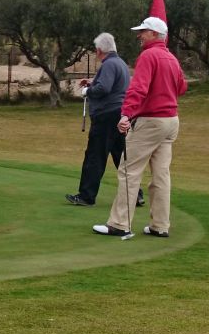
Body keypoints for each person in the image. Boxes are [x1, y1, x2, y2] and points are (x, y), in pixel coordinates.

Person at [93, 16, 187, 240]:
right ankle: (160, 225)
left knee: (129, 170)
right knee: (161, 175)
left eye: (143, 31)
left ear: (154, 34)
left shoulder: (148, 55)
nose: (139, 35)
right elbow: (182, 87)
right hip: (170, 121)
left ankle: (119, 224)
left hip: (151, 121)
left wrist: (126, 114)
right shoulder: (171, 58)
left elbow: (138, 88)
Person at [66, 32, 133, 207]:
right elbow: (110, 85)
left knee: (95, 156)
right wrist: (92, 82)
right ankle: (136, 194)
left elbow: (104, 88)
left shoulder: (109, 64)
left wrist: (87, 91)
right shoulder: (120, 63)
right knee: (121, 156)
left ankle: (86, 196)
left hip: (106, 116)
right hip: (119, 115)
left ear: (99, 50)